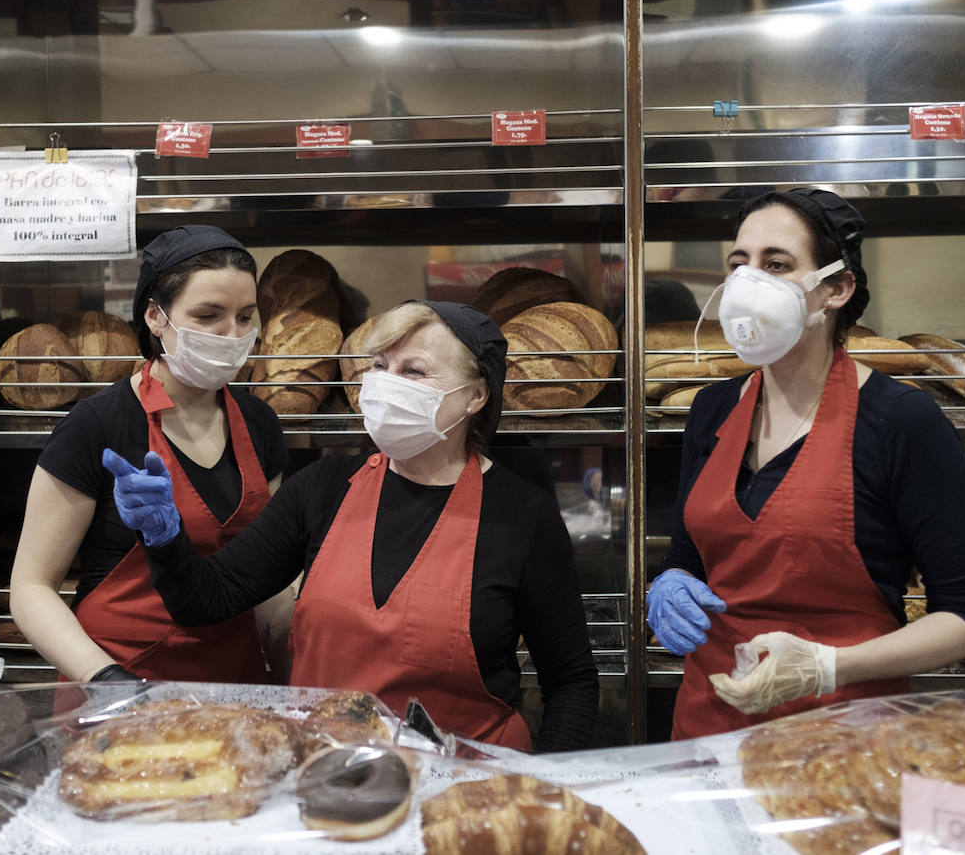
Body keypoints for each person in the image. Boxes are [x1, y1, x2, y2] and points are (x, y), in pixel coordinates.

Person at [107, 301, 599, 752]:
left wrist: (547, 784)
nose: (386, 384)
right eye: (380, 367)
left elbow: (571, 679)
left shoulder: (523, 516)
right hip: (326, 775)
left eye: (414, 371)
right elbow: (205, 601)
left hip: (467, 788)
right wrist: (164, 537)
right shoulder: (321, 488)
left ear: (474, 395)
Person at [648, 188, 965, 739]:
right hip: (710, 727)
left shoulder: (900, 420)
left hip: (845, 735)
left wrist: (827, 667)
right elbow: (692, 557)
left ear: (835, 289)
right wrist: (672, 579)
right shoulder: (711, 409)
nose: (746, 284)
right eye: (738, 264)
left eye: (776, 264)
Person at [10, 226, 292, 684]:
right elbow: (30, 588)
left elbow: (272, 585)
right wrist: (103, 678)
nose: (231, 334)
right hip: (119, 682)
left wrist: (294, 690)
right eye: (208, 315)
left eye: (245, 316)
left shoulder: (260, 423)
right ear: (156, 317)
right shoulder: (97, 425)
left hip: (233, 689)